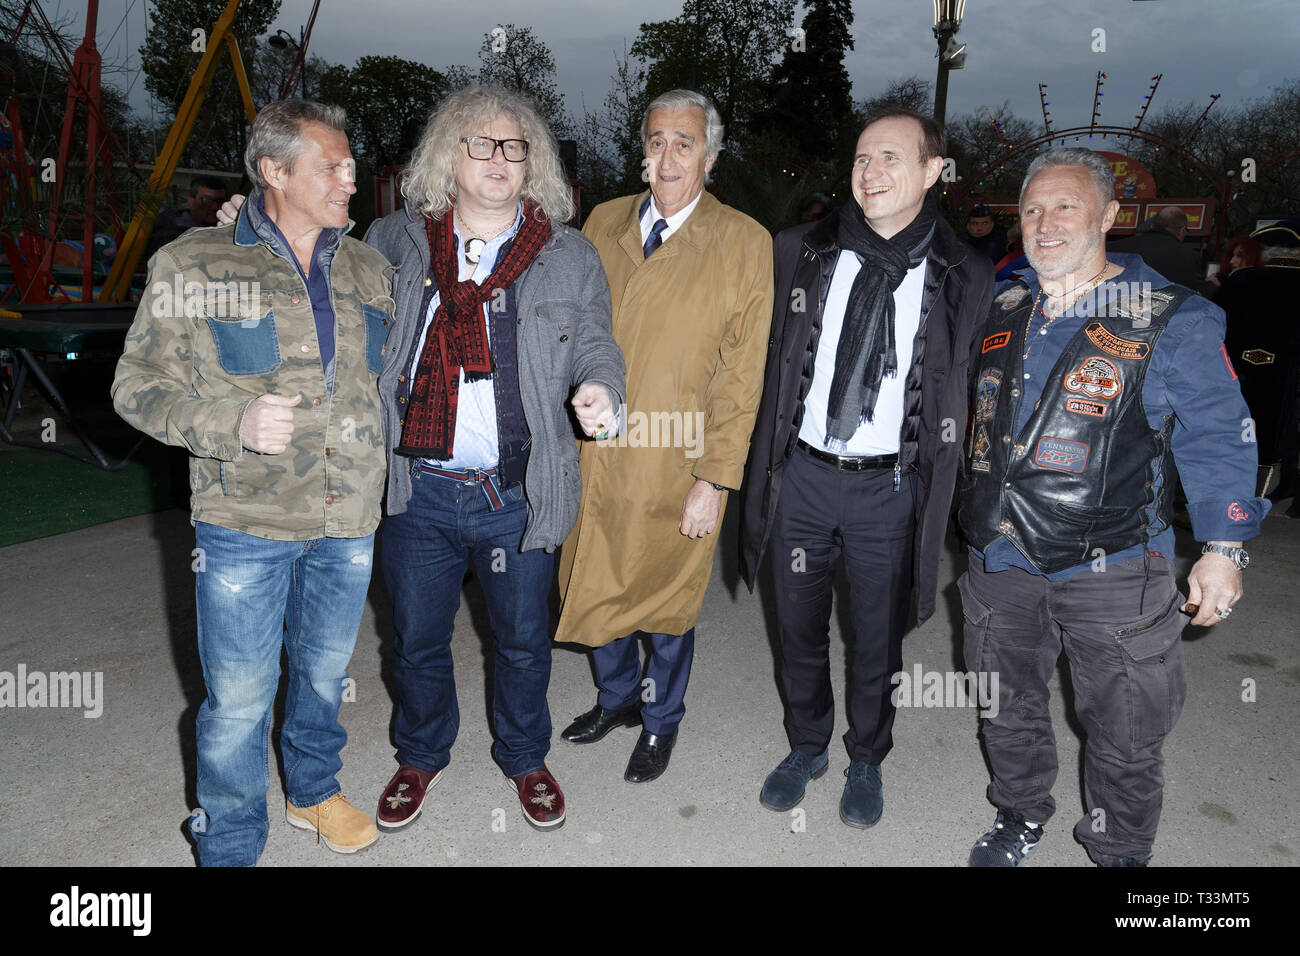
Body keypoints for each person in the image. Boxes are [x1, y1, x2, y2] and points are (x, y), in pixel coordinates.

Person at [956, 148, 1268, 867]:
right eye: (1032, 210)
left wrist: (1223, 550)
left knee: (1127, 725)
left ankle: (1119, 850)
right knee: (1006, 705)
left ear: (1107, 215)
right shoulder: (1004, 304)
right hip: (999, 556)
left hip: (1116, 564)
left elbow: (1219, 433)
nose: (1045, 223)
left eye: (1064, 206)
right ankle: (1018, 813)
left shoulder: (1172, 318)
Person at [112, 99, 392, 865]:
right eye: (331, 165)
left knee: (326, 673)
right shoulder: (193, 264)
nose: (350, 179)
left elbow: (386, 384)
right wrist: (229, 422)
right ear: (274, 171)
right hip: (243, 524)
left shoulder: (369, 266)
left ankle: (312, 791)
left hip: (349, 518)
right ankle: (230, 841)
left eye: (350, 164)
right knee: (237, 700)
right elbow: (134, 388)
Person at [363, 86, 625, 832]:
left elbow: (599, 342)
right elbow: (317, 270)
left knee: (521, 643)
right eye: (481, 143)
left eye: (515, 146)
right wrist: (240, 223)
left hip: (516, 493)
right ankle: (420, 753)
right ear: (447, 155)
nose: (500, 158)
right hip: (419, 489)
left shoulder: (568, 257)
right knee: (415, 640)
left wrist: (603, 387)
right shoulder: (394, 242)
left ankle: (523, 754)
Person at [739, 107, 994, 826]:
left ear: (931, 172)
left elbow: (978, 381)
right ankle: (807, 745)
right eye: (860, 158)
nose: (869, 172)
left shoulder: (963, 272)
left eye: (889, 158)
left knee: (876, 636)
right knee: (796, 622)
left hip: (890, 484)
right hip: (803, 476)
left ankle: (866, 755)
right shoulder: (801, 249)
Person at [555, 89, 773, 784]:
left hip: (677, 457)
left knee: (667, 601)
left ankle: (659, 719)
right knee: (595, 578)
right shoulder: (601, 221)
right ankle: (617, 698)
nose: (668, 155)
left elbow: (742, 377)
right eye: (655, 141)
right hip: (595, 448)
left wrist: (716, 479)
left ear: (709, 155)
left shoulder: (744, 241)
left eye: (684, 142)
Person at [1212, 219, 1300, 509]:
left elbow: (1211, 327)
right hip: (1290, 382)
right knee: (1281, 438)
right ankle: (1262, 497)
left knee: (1237, 435)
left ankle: (1231, 498)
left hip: (1237, 377)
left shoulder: (1241, 281)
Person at [1109, 206, 1214, 295]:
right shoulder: (1188, 256)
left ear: (1152, 225)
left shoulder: (1114, 247)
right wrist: (1213, 284)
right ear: (1182, 230)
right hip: (1163, 315)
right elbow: (1194, 293)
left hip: (1112, 311)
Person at [144, 174, 228, 260]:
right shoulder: (169, 231)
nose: (214, 207)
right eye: (205, 200)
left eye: (220, 201)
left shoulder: (228, 231)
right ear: (191, 202)